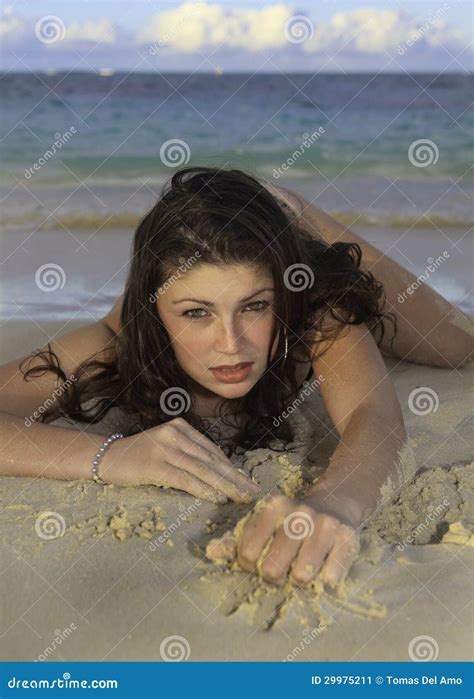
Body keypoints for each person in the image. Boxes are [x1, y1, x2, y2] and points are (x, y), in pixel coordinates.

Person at [0, 166, 471, 588]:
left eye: (255, 306)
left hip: (297, 239)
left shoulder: (313, 307)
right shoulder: (120, 334)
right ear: (155, 313)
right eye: (196, 313)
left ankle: (288, 208)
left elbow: (374, 415)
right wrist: (110, 454)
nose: (231, 343)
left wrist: (335, 503)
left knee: (458, 344)